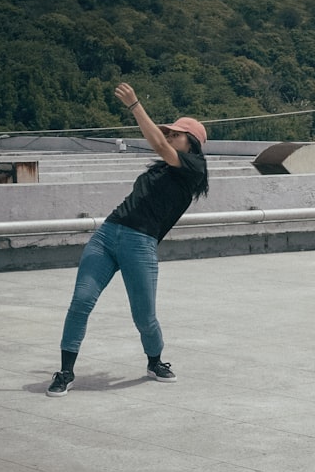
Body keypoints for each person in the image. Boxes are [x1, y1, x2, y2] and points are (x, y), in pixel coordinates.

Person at [47, 82, 209, 397]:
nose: (168, 137)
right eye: (169, 133)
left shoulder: (194, 169)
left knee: (144, 316)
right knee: (81, 302)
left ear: (192, 142)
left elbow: (161, 147)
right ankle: (65, 371)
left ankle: (155, 361)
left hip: (140, 243)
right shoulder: (162, 169)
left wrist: (135, 105)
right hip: (108, 233)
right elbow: (161, 151)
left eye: (175, 134)